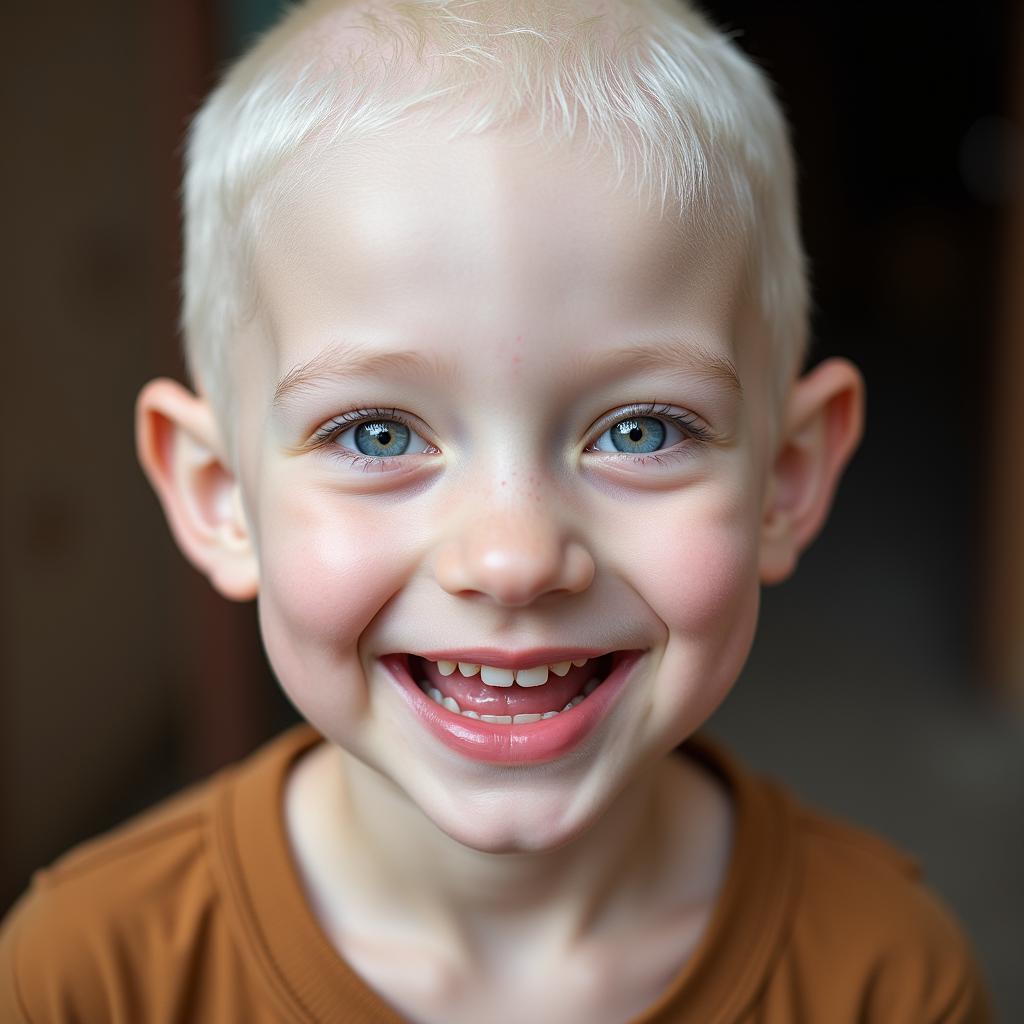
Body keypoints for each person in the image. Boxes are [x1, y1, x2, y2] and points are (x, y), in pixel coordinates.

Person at [0, 0, 994, 1020]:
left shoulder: (890, 980)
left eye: (639, 430)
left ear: (785, 477)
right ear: (220, 499)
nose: (514, 559)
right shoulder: (85, 978)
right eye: (377, 434)